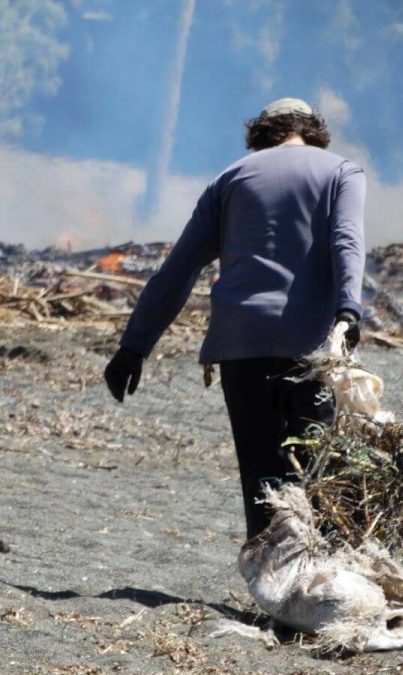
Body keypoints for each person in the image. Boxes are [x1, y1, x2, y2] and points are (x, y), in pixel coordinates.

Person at [104, 97, 366, 541]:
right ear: (314, 131)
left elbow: (178, 270)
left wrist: (134, 347)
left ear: (260, 136)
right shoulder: (341, 172)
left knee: (262, 475)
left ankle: (274, 581)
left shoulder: (229, 179)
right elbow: (347, 242)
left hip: (240, 347)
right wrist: (348, 309)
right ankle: (320, 580)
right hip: (313, 346)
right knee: (318, 469)